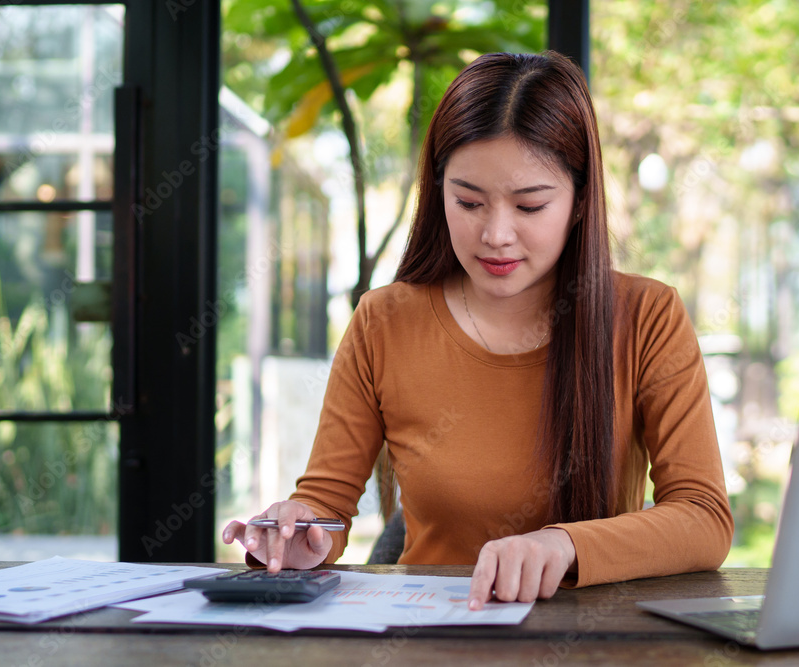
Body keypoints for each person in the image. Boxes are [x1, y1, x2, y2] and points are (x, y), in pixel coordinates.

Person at [223, 51, 733, 610]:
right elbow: (325, 508)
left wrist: (565, 545)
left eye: (529, 205)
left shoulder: (646, 317)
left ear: (582, 200)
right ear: (437, 189)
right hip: (429, 637)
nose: (495, 234)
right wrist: (298, 537)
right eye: (468, 201)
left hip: (593, 642)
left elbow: (704, 518)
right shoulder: (383, 322)